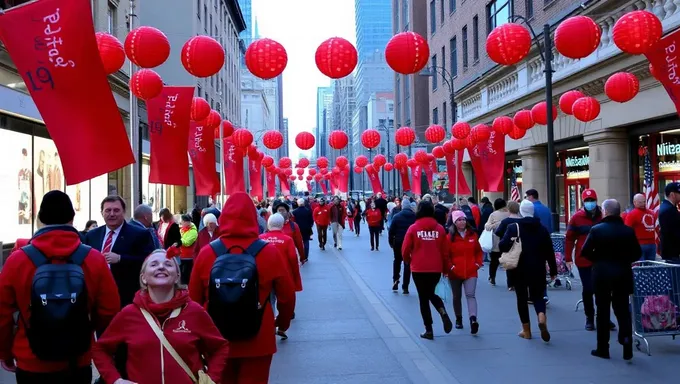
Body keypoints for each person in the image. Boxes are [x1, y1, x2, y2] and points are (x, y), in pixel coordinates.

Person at [0, 191, 120, 383]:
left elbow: (3, 315)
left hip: (31, 359)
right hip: (77, 359)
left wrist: (5, 352)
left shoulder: (18, 260)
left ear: (40, 219)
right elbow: (109, 310)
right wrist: (82, 329)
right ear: (72, 218)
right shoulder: (94, 258)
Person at [189, 192, 295, 383]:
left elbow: (193, 299)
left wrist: (196, 336)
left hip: (216, 337)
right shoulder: (268, 252)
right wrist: (282, 322)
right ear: (254, 218)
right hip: (258, 337)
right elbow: (287, 295)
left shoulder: (207, 253)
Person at [92, 250, 230, 383]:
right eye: (154, 264)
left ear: (177, 276)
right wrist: (116, 380)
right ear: (143, 278)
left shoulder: (194, 311)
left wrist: (211, 379)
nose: (161, 267)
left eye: (168, 264)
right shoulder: (129, 314)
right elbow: (100, 349)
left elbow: (220, 347)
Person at [580, 199, 641, 360]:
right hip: (622, 272)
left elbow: (584, 251)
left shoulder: (597, 229)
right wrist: (624, 260)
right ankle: (627, 344)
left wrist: (598, 259)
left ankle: (603, 348)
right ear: (619, 212)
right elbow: (637, 253)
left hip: (602, 274)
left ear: (605, 212)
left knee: (602, 310)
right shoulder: (628, 231)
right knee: (622, 309)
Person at [499, 200, 556, 343]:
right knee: (538, 296)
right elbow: (550, 251)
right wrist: (553, 269)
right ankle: (541, 315)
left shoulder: (514, 227)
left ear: (521, 212)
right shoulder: (542, 229)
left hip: (519, 268)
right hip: (538, 268)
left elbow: (503, 246)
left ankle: (526, 330)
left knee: (522, 299)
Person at [85, 196, 156, 307]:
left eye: (116, 210)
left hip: (126, 297)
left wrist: (120, 259)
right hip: (96, 295)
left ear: (124, 212)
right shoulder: (92, 235)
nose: (112, 214)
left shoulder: (140, 234)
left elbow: (149, 261)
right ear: (102, 213)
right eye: (108, 210)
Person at [401, 201, 453, 340]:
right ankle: (442, 312)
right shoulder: (440, 229)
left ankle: (428, 329)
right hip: (435, 267)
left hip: (418, 267)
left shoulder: (413, 228)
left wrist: (407, 260)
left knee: (423, 298)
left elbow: (405, 249)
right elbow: (445, 251)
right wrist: (446, 268)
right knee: (431, 293)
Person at [565, 189, 612, 331]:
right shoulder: (576, 218)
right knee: (588, 289)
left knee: (603, 290)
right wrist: (568, 258)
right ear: (583, 202)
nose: (589, 203)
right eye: (587, 200)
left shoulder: (603, 216)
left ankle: (604, 317)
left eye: (592, 200)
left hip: (602, 259)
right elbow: (569, 239)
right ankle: (589, 318)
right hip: (584, 259)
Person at [261, 213, 303, 326]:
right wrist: (295, 278)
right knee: (284, 301)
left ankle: (271, 323)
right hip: (284, 275)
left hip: (265, 276)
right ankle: (281, 325)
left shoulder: (261, 239)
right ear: (282, 225)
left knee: (269, 301)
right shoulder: (287, 240)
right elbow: (293, 259)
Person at [448, 210, 483, 334]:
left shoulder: (472, 235)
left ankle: (473, 319)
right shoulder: (450, 237)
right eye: (459, 220)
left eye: (463, 219)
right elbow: (445, 255)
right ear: (454, 222)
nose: (462, 221)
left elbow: (478, 251)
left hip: (471, 271)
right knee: (457, 296)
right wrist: (451, 267)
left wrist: (478, 264)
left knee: (470, 295)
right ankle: (458, 319)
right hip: (455, 272)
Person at [389, 200, 417, 294]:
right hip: (410, 243)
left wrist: (391, 242)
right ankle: (405, 286)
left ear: (402, 206)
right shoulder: (414, 216)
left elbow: (391, 231)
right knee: (407, 263)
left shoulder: (397, 216)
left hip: (398, 242)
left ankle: (395, 279)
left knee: (397, 260)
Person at [494, 201, 522, 290]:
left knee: (509, 263)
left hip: (507, 244)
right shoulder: (522, 221)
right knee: (519, 263)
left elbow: (498, 232)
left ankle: (511, 284)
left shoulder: (505, 221)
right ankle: (518, 281)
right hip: (519, 244)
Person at [624, 193, 657, 261]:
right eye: (640, 202)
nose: (643, 204)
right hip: (639, 244)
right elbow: (627, 230)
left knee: (651, 266)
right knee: (641, 266)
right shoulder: (631, 215)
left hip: (652, 243)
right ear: (634, 202)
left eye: (644, 201)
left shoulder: (651, 213)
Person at [485, 199, 510, 286]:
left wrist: (495, 224)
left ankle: (492, 277)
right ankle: (510, 281)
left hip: (497, 241)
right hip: (509, 241)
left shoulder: (493, 215)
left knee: (494, 261)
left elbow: (487, 227)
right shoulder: (510, 213)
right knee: (509, 261)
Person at [658, 182, 680, 261]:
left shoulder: (669, 207)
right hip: (672, 251)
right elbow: (674, 232)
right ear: (672, 194)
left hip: (671, 250)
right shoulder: (668, 210)